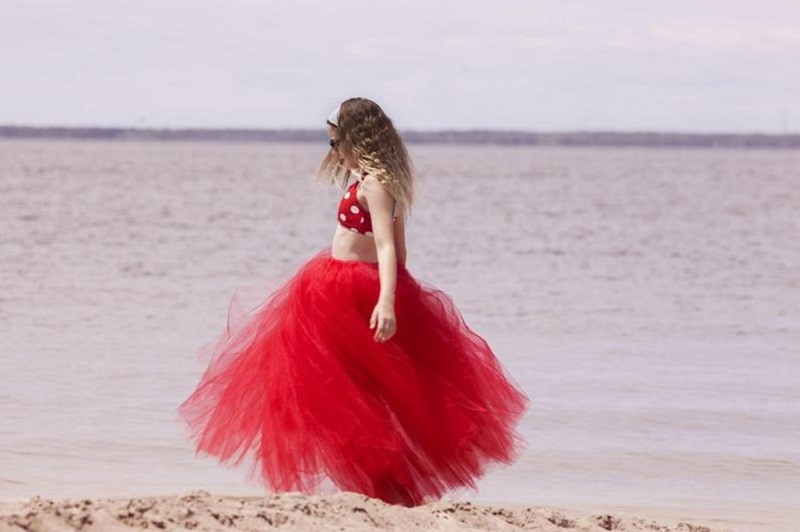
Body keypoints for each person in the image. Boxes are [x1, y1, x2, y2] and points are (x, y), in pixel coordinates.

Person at [178, 97, 529, 507]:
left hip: (353, 292)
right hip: (331, 284)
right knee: (333, 386)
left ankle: (380, 481)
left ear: (355, 138)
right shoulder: (368, 178)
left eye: (335, 142)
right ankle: (369, 482)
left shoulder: (377, 185)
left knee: (352, 391)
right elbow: (399, 250)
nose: (333, 151)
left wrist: (387, 301)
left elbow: (388, 247)